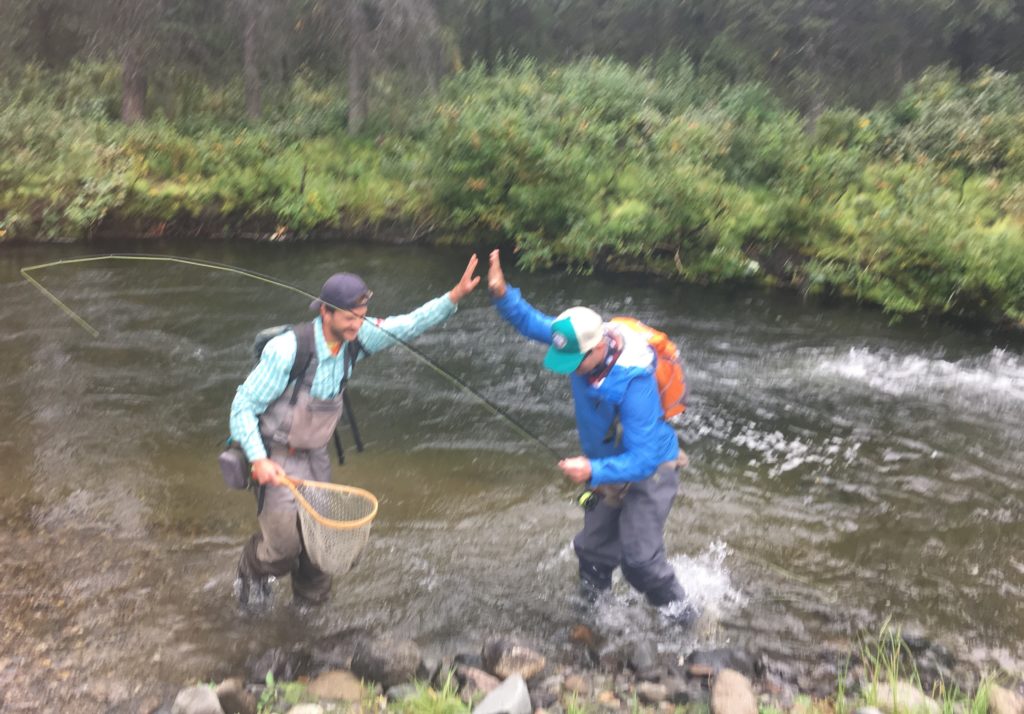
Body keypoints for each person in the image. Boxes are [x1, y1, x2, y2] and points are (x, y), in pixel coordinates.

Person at [230, 256, 480, 606]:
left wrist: (453, 296)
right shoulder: (288, 351)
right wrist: (257, 459)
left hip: (315, 456)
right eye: (350, 318)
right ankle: (250, 571)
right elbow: (242, 407)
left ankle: (309, 617)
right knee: (283, 549)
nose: (357, 326)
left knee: (322, 545)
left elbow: (407, 324)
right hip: (275, 456)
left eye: (362, 317)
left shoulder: (358, 338)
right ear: (325, 313)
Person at [486, 249, 691, 614]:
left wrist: (592, 471)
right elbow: (532, 323)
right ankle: (593, 618)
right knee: (592, 550)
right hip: (605, 465)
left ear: (598, 347)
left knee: (639, 561)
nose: (571, 369)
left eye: (576, 361)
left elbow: (643, 459)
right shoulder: (576, 340)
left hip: (652, 469)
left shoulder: (634, 383)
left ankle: (683, 620)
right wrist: (503, 295)